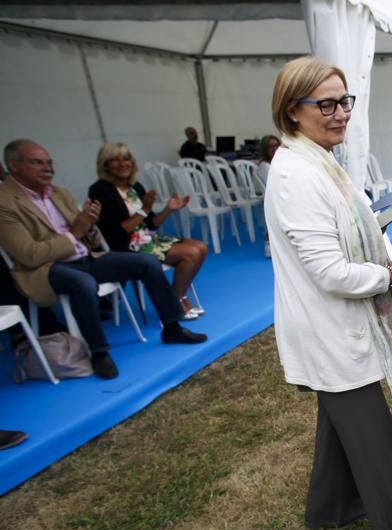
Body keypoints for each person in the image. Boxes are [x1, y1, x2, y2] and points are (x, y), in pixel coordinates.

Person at [265, 56, 392, 530]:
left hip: (338, 327)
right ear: (292, 111)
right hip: (332, 330)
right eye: (327, 103)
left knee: (337, 423)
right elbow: (331, 272)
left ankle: (331, 507)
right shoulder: (298, 174)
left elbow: (361, 227)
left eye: (345, 101)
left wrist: (389, 259)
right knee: (373, 439)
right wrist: (391, 275)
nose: (341, 112)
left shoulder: (316, 159)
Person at [0, 139, 207, 380]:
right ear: (13, 165)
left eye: (49, 162)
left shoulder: (58, 193)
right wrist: (76, 232)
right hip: (48, 267)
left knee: (147, 263)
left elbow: (93, 235)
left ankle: (172, 327)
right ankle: (99, 352)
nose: (48, 168)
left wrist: (88, 229)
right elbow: (29, 254)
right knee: (82, 282)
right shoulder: (5, 202)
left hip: (85, 256)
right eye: (37, 162)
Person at [88, 143, 207, 319]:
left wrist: (168, 210)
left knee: (201, 247)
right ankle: (175, 302)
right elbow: (115, 232)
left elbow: (151, 223)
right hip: (124, 246)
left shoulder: (135, 187)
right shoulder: (100, 190)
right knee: (189, 254)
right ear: (105, 164)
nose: (123, 164)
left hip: (146, 238)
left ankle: (176, 298)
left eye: (127, 159)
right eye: (115, 160)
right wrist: (144, 209)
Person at [257, 134, 281, 257]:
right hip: (274, 199)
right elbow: (278, 186)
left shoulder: (277, 163)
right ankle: (269, 241)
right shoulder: (265, 166)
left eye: (276, 145)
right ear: (264, 149)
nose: (274, 148)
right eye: (270, 147)